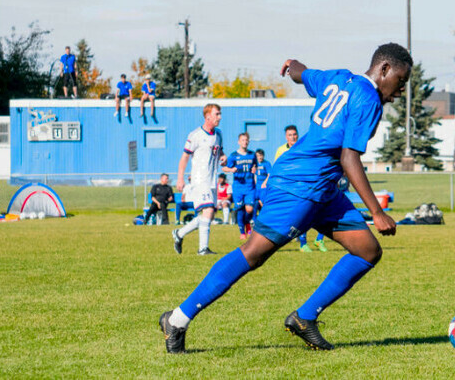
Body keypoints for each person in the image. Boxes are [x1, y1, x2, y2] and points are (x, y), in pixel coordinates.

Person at [159, 43, 411, 353]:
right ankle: (177, 319)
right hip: (299, 186)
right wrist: (377, 211)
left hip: (322, 189)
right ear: (384, 69)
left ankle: (304, 318)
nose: (400, 91)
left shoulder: (338, 78)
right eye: (400, 81)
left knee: (367, 251)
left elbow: (303, 74)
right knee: (253, 254)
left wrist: (292, 65)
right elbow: (349, 158)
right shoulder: (368, 99)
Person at [171, 104, 225, 256]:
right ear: (207, 116)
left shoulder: (219, 134)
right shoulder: (195, 135)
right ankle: (203, 249)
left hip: (212, 179)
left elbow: (220, 151)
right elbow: (184, 158)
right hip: (200, 179)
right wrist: (180, 178)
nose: (219, 117)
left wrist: (223, 157)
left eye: (220, 114)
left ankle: (179, 234)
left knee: (209, 215)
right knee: (207, 211)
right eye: (217, 114)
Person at [225, 132, 258, 240]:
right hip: (238, 186)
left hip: (249, 186)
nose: (245, 142)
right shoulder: (234, 155)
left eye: (246, 140)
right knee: (239, 209)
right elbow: (224, 168)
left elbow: (255, 166)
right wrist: (231, 169)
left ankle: (247, 223)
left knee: (249, 209)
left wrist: (254, 169)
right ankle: (242, 232)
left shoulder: (252, 154)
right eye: (243, 140)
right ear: (239, 142)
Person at [253, 149, 270, 217]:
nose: (260, 157)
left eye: (261, 156)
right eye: (258, 156)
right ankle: (254, 219)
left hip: (263, 186)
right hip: (256, 186)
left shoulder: (266, 163)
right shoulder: (254, 164)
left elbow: (269, 175)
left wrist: (264, 183)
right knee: (254, 202)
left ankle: (266, 216)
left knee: (263, 201)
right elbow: (254, 174)